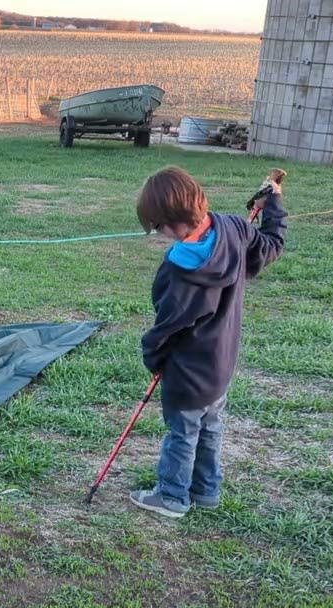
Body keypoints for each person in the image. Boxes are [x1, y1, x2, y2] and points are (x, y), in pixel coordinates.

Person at [129, 166, 287, 518]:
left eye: (159, 227)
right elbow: (273, 243)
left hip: (187, 372)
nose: (161, 235)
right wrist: (274, 202)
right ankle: (205, 490)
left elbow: (168, 325)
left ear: (173, 222)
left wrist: (153, 355)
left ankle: (172, 496)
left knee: (183, 433)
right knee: (210, 426)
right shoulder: (235, 228)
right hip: (221, 366)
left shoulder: (178, 269)